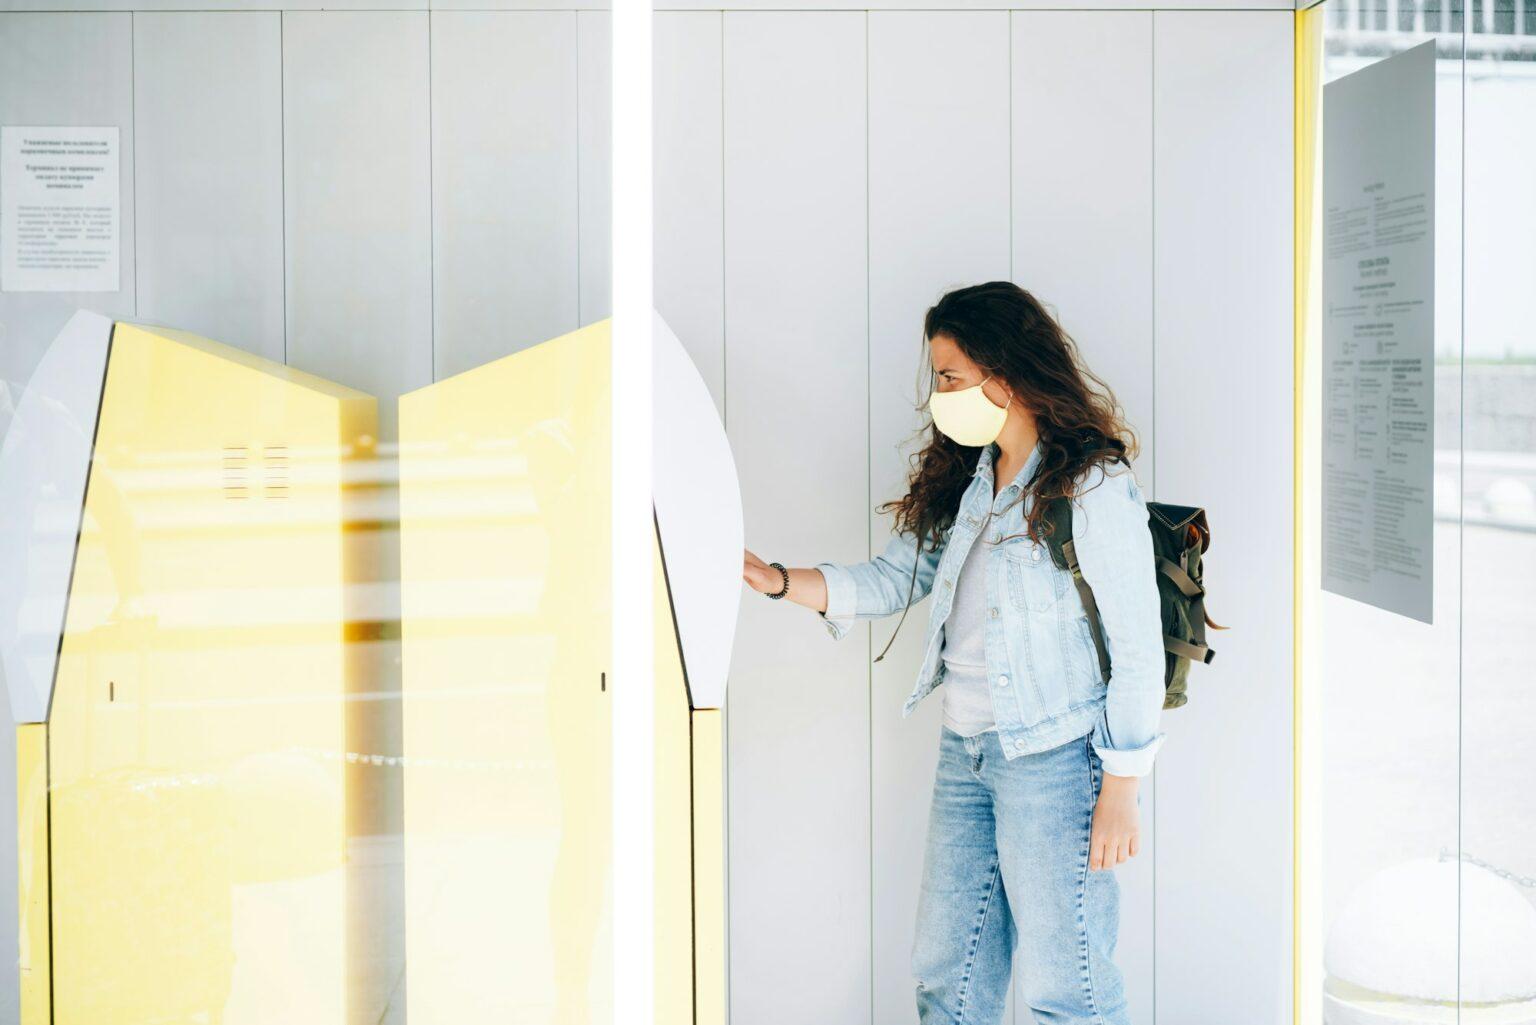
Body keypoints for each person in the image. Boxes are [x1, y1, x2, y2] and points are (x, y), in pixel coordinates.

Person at [742, 281, 1165, 1025]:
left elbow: (1137, 651)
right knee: (951, 973)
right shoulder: (974, 484)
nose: (938, 394)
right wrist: (775, 581)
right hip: (965, 751)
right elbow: (888, 579)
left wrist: (1121, 790)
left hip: (1056, 760)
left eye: (949, 376)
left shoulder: (1093, 486)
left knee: (1068, 987)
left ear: (1005, 374)